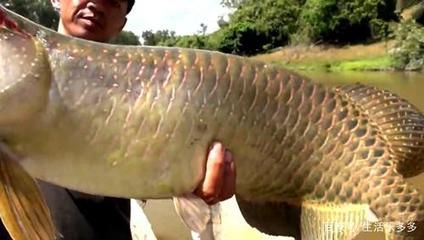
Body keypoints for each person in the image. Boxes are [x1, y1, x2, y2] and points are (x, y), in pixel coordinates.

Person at [1, 0, 236, 239]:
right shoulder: (21, 64)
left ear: (122, 23)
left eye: (112, 1)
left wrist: (191, 182)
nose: (95, 3)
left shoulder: (157, 89)